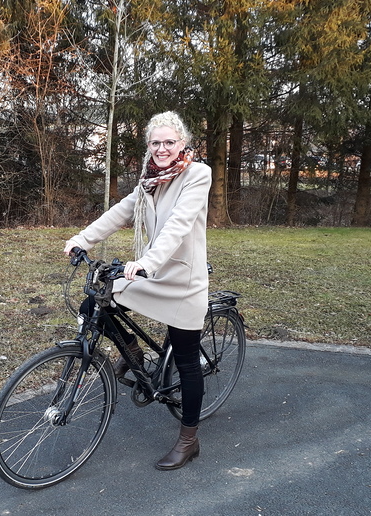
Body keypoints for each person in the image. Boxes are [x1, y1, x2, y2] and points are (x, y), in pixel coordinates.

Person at [63, 111, 211, 471]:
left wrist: (147, 261)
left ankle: (188, 440)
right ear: (149, 145)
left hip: (182, 281)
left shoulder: (197, 174)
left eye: (169, 142)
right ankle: (131, 349)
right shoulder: (149, 179)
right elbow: (121, 212)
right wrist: (82, 239)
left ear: (182, 143)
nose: (162, 148)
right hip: (149, 272)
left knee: (187, 362)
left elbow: (178, 225)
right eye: (155, 143)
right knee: (93, 303)